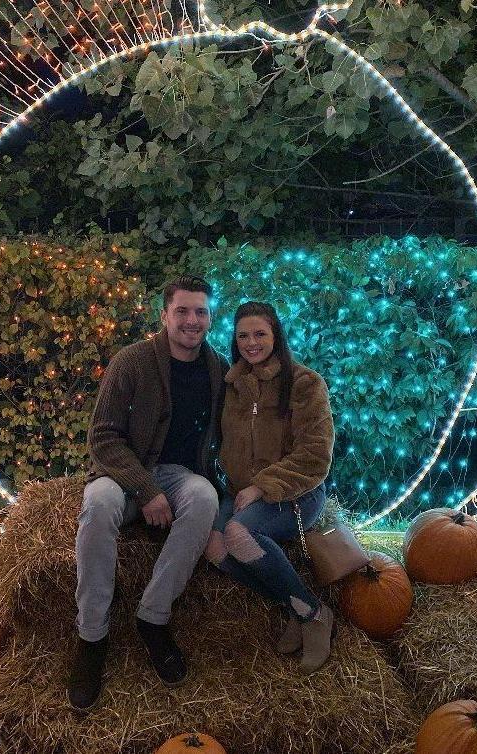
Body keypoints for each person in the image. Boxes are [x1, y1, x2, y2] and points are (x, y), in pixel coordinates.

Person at [68, 275, 229, 710]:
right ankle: (92, 635)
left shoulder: (218, 370)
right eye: (182, 311)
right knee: (98, 505)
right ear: (164, 316)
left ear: (210, 318)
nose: (192, 320)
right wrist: (145, 489)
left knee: (205, 499)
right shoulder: (132, 361)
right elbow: (103, 437)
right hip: (123, 471)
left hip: (181, 475)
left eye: (201, 311)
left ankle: (153, 618)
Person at [205, 301, 335, 674]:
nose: (251, 343)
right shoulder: (232, 386)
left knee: (238, 533)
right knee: (212, 543)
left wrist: (262, 487)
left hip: (295, 492)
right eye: (243, 336)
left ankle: (314, 614)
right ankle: (292, 604)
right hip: (240, 492)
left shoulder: (305, 383)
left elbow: (315, 456)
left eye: (260, 334)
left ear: (275, 335)